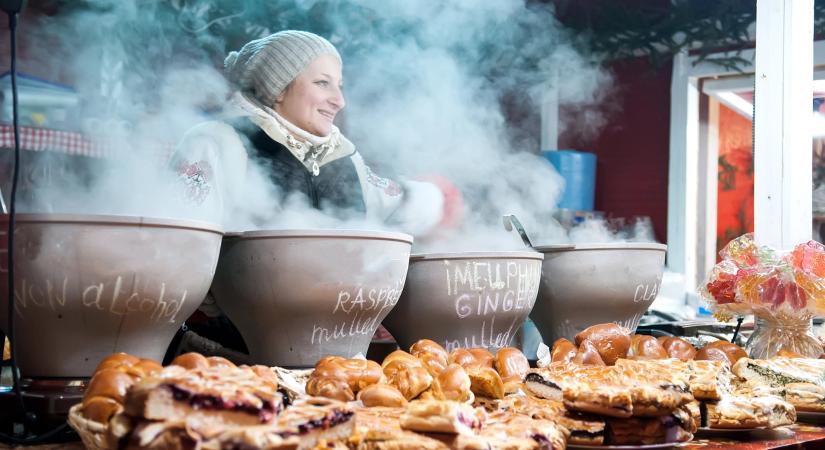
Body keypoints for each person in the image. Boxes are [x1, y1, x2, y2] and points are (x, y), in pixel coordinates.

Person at [172, 30, 461, 235]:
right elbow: (184, 245)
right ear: (279, 89)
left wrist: (436, 196)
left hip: (339, 313)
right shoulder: (216, 143)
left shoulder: (343, 156)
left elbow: (393, 207)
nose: (339, 100)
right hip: (239, 320)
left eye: (339, 85)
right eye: (323, 83)